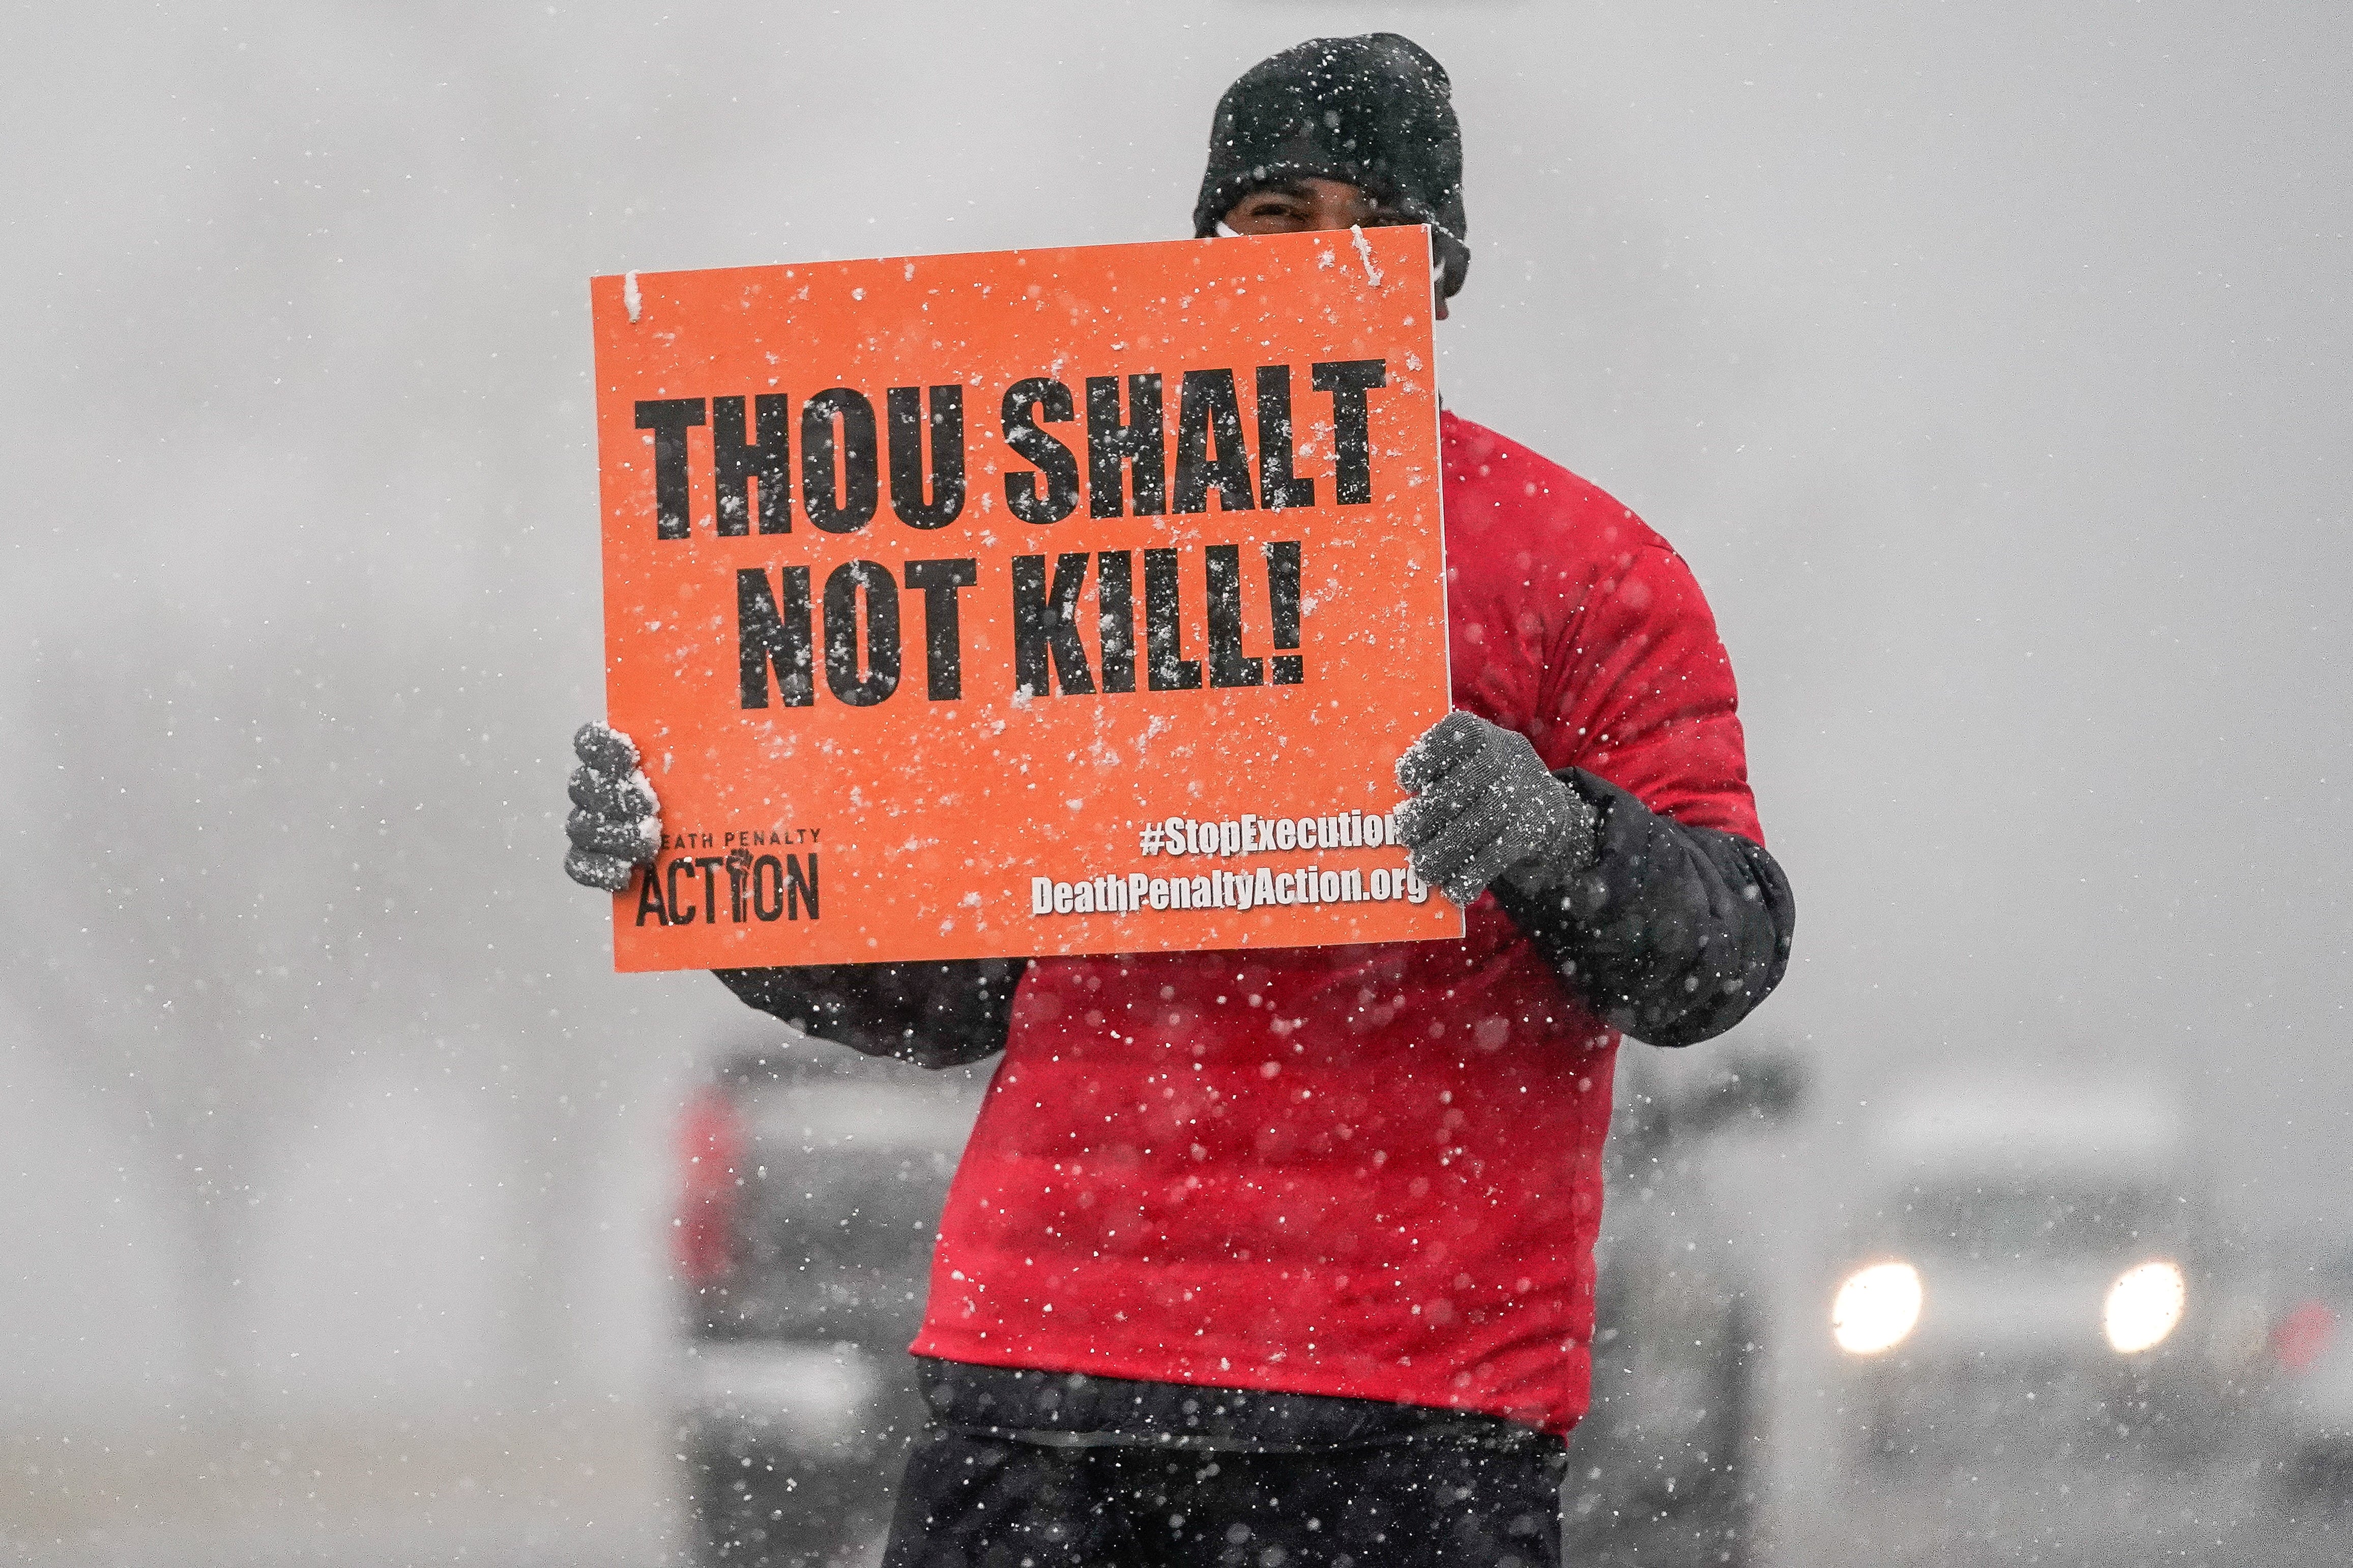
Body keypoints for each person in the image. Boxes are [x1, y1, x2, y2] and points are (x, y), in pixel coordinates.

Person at [565, 33, 1794, 1568]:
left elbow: (1724, 944)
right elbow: (955, 989)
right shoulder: (1050, 536)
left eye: (1373, 221)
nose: (1320, 257)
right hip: (1041, 1376)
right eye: (1275, 217)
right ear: (1203, 248)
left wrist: (1553, 831)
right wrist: (713, 866)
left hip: (1408, 1402)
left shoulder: (1586, 576)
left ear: (1442, 269)